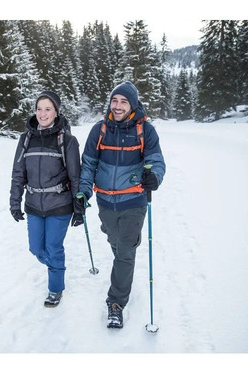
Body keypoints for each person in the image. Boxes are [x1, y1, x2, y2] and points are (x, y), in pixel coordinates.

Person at [78, 81, 166, 328]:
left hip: (133, 201)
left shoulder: (145, 131)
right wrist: (84, 191)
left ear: (133, 104)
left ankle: (116, 303)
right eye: (114, 101)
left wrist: (154, 176)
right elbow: (88, 165)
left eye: (123, 102)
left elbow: (156, 161)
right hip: (106, 202)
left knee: (126, 251)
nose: (117, 106)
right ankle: (123, 269)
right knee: (115, 242)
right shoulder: (99, 130)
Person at [10, 91, 84, 308]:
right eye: (39, 109)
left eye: (48, 109)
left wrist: (79, 207)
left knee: (53, 248)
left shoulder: (67, 141)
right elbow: (18, 173)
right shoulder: (25, 140)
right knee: (36, 249)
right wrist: (15, 202)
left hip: (59, 205)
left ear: (56, 111)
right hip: (33, 204)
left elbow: (75, 176)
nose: (42, 114)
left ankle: (55, 288)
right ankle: (56, 267)